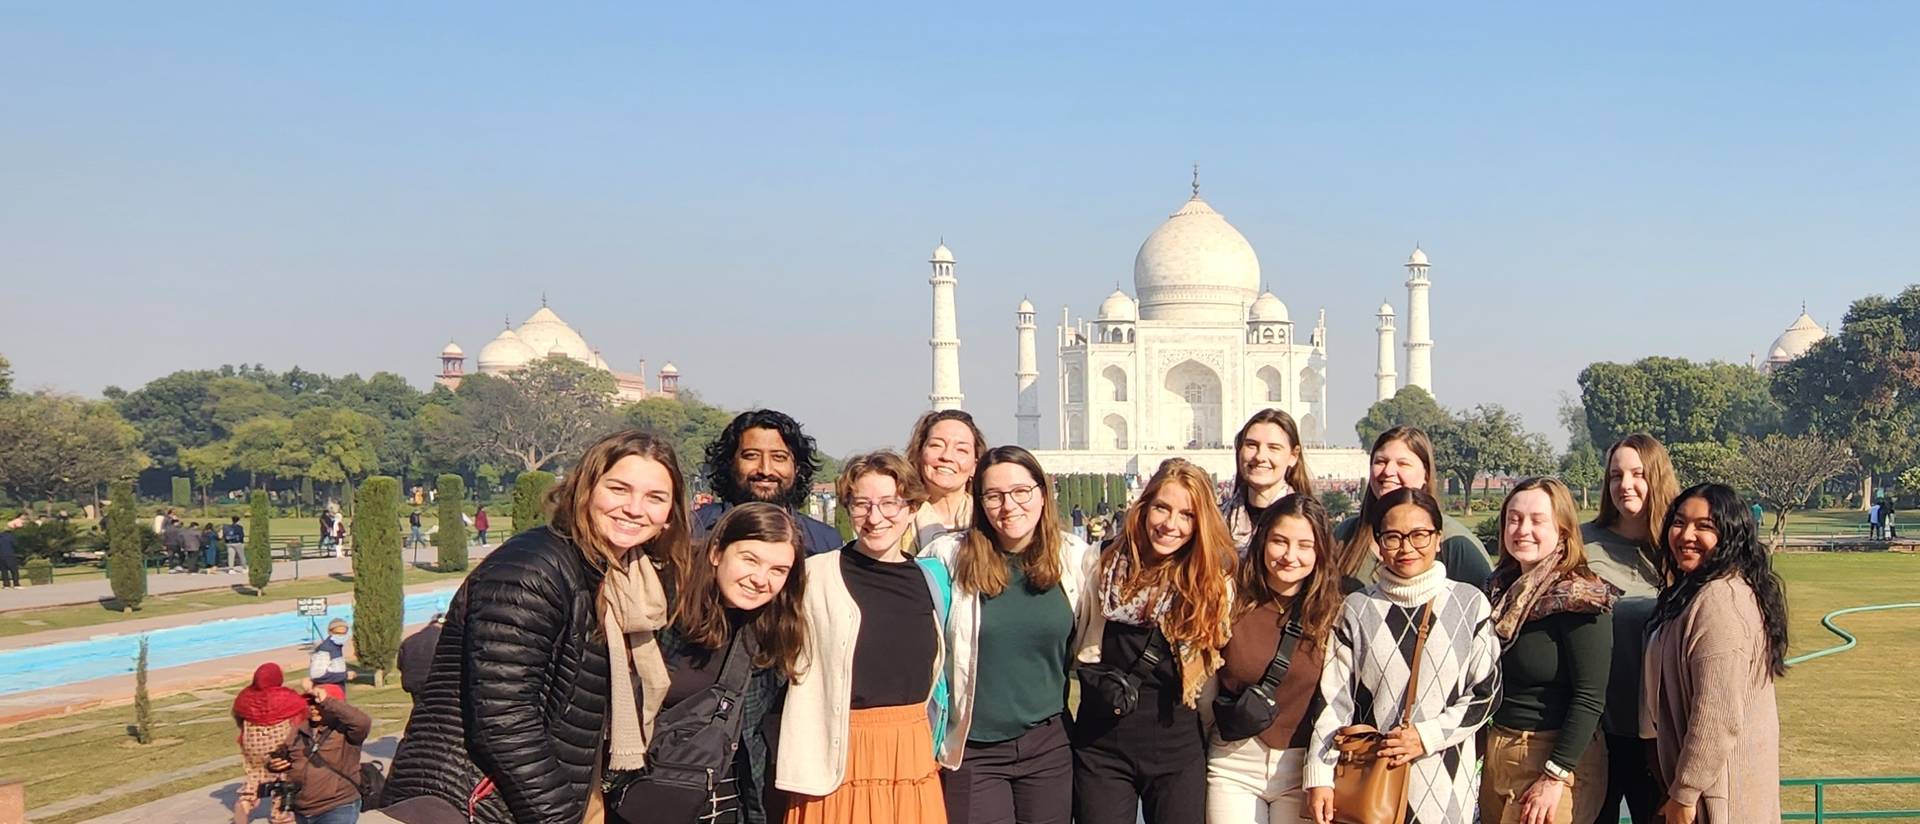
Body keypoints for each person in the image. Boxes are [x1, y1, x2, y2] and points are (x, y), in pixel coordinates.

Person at [382, 429, 691, 824]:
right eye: (619, 489)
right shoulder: (533, 569)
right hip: (477, 800)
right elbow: (504, 720)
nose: (634, 508)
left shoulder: (619, 578)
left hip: (531, 798)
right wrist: (558, 816)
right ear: (586, 489)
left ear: (669, 516)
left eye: (655, 498)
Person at [920, 446, 1095, 824]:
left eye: (1020, 492)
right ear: (979, 502)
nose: (1008, 506)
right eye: (994, 496)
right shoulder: (949, 558)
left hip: (1047, 743)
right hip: (974, 748)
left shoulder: (1073, 559)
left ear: (1042, 493)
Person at [1306, 487, 1502, 824]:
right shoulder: (1356, 609)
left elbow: (1486, 693)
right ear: (1378, 543)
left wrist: (1425, 737)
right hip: (1371, 785)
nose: (1406, 547)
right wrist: (1319, 775)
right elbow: (1333, 701)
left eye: (1419, 535)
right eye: (1393, 537)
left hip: (1446, 785)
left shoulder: (1469, 605)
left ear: (1438, 538)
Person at [778, 451, 952, 824]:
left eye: (890, 503)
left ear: (911, 508)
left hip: (911, 752)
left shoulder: (932, 581)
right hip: (836, 755)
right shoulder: (814, 577)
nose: (875, 518)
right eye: (862, 504)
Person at [607, 502, 807, 824]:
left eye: (778, 570)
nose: (760, 579)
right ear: (716, 553)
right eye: (749, 559)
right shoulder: (659, 609)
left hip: (726, 800)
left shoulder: (772, 628)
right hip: (639, 794)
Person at [1071, 459, 1234, 824]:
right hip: (1103, 744)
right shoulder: (1103, 564)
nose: (1170, 525)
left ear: (1200, 522)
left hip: (1178, 745)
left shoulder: (1210, 584)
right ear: (1144, 507)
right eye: (1162, 508)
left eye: (1186, 515)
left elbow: (1213, 669)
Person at [1643, 483, 1787, 824]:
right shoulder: (1697, 591)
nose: (1686, 535)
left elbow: (1717, 715)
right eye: (1679, 522)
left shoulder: (1720, 601)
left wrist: (1685, 792)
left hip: (1720, 798)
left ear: (1731, 536)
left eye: (1704, 527)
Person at [1482, 478, 1617, 824]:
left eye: (1537, 520)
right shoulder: (1500, 592)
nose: (1522, 529)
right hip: (1499, 749)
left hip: (1552, 756)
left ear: (1563, 528)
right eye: (1514, 519)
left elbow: (1590, 697)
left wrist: (1555, 776)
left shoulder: (1579, 597)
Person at [1201, 494, 1343, 824]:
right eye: (1280, 541)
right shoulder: (1230, 597)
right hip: (1233, 763)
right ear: (1263, 540)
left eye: (1304, 545)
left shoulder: (1334, 612)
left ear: (1320, 550)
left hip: (1302, 769)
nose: (1290, 556)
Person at [1582, 433, 1678, 824]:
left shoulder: (1681, 546)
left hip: (1663, 734)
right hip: (1598, 730)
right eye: (1615, 475)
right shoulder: (1583, 544)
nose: (1626, 485)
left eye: (1638, 474)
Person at [1332, 425, 1491, 588]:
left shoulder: (1454, 543)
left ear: (1426, 474)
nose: (1388, 471)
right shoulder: (1346, 535)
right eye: (1381, 461)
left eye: (1403, 463)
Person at [695, 409, 843, 556]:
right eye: (751, 456)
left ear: (797, 467)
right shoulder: (694, 528)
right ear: (730, 463)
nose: (765, 470)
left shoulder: (824, 543)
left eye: (778, 457)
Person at [258, 684, 373, 824]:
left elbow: (363, 722)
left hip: (338, 806)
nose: (312, 707)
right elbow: (279, 754)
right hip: (303, 810)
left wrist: (326, 700)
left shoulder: (346, 732)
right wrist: (272, 764)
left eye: (317, 703)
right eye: (309, 703)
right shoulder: (299, 730)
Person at [1221, 410, 1316, 558]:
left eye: (1273, 448)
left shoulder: (1309, 522)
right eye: (1252, 445)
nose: (1260, 456)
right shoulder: (1215, 522)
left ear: (1293, 456)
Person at [901, 410, 987, 554]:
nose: (947, 456)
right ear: (919, 453)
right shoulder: (897, 519)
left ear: (975, 466)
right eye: (936, 445)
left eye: (961, 450)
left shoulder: (990, 520)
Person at [233, 663, 307, 824]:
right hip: (278, 743)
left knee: (255, 773)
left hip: (253, 743)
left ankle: (246, 801)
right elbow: (302, 713)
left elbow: (238, 716)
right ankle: (279, 814)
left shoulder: (245, 696)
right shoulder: (286, 697)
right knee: (283, 776)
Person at [396, 613, 444, 698]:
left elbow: (400, 665)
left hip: (414, 685)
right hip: (439, 685)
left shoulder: (408, 641)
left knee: (420, 708)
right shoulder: (446, 640)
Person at [310, 618, 354, 696]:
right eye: (338, 633)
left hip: (338, 692)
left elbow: (335, 668)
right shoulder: (324, 650)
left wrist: (347, 671)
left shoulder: (337, 646)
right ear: (330, 632)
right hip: (327, 694)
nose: (342, 636)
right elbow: (317, 675)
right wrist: (345, 675)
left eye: (344, 633)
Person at [0, 522, 18, 589]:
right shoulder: (11, 536)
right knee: (14, 570)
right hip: (10, 555)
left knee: (4, 571)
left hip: (1, 556)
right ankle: (16, 584)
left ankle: (6, 585)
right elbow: (15, 545)